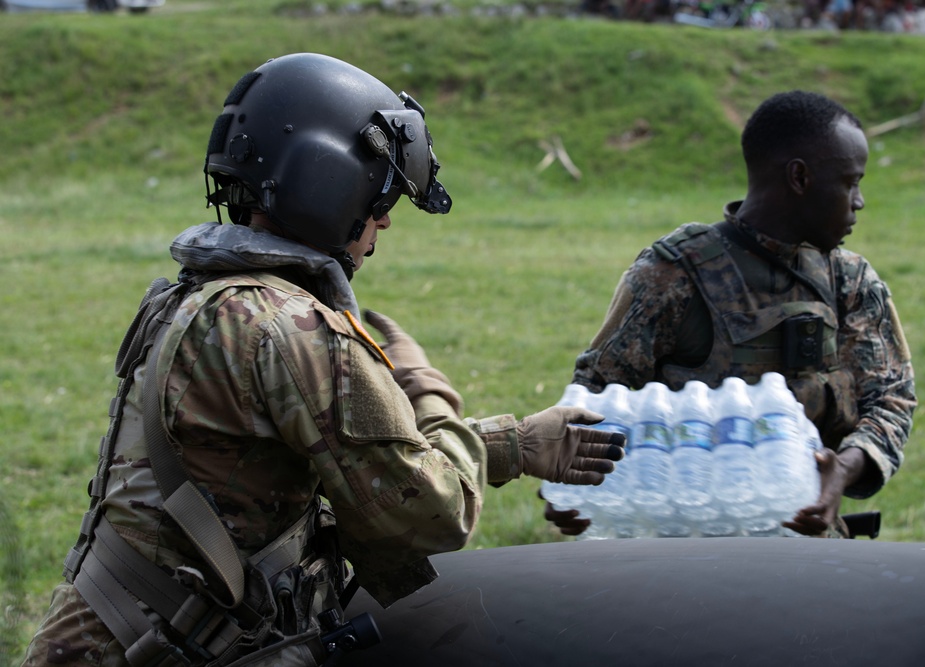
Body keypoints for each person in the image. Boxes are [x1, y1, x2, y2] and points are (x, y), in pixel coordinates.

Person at [22, 53, 624, 666]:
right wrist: (439, 401)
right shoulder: (294, 329)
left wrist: (506, 444)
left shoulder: (194, 296)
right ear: (327, 181)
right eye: (378, 196)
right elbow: (429, 514)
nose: (383, 220)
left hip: (109, 633)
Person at [545, 90, 916, 539]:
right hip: (684, 550)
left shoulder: (850, 280)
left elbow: (891, 398)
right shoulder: (674, 274)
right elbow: (595, 396)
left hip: (807, 544)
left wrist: (843, 469)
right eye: (849, 182)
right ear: (799, 177)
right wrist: (573, 483)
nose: (858, 201)